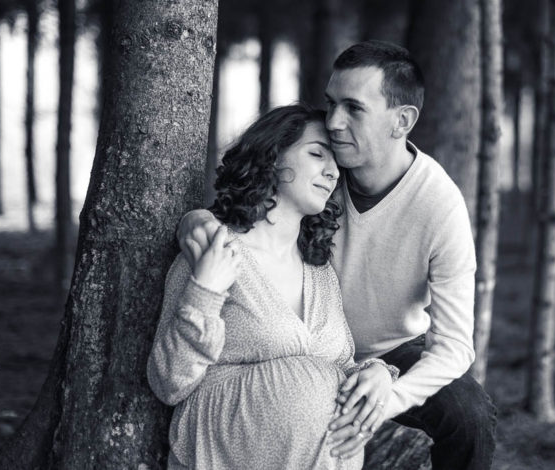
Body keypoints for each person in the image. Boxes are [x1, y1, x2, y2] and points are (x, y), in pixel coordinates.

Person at [177, 40, 497, 469]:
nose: (333, 122)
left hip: (392, 350)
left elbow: (454, 346)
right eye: (330, 104)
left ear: (401, 120)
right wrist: (195, 221)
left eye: (353, 108)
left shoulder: (440, 207)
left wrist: (387, 396)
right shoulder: (320, 172)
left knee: (468, 414)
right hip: (298, 342)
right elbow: (247, 210)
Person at [148, 104, 399, 469]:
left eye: (337, 166)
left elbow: (340, 365)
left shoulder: (319, 272)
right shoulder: (213, 250)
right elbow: (169, 381)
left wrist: (376, 373)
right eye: (316, 154)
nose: (331, 173)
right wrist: (204, 292)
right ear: (271, 156)